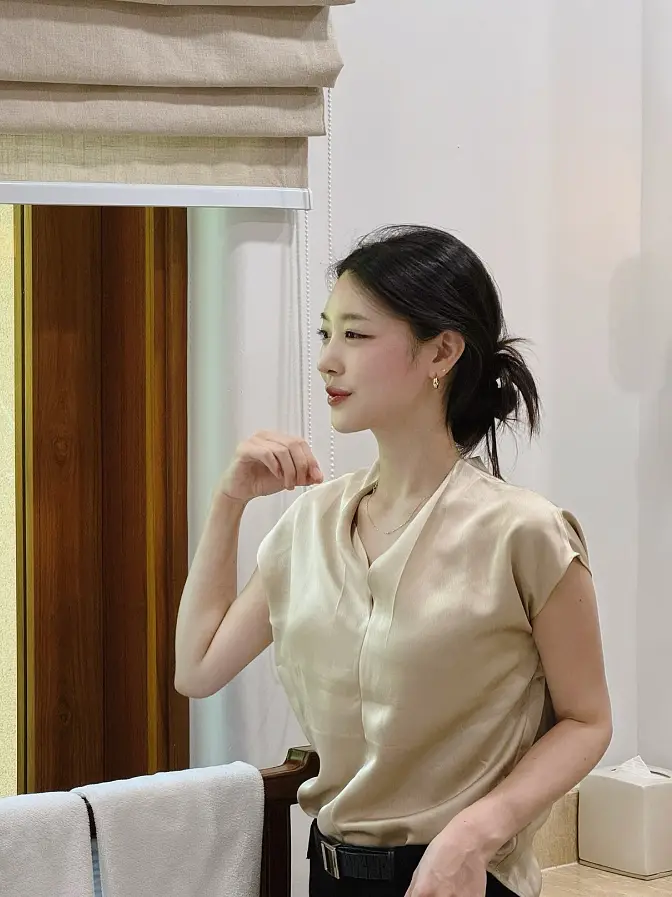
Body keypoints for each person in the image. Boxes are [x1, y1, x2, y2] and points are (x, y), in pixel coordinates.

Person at [175, 225, 612, 897]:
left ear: (441, 351)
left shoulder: (526, 533)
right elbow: (198, 668)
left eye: (355, 334)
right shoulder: (310, 524)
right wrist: (227, 501)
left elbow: (588, 720)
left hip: (461, 876)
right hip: (329, 875)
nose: (327, 360)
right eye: (326, 333)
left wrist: (478, 830)